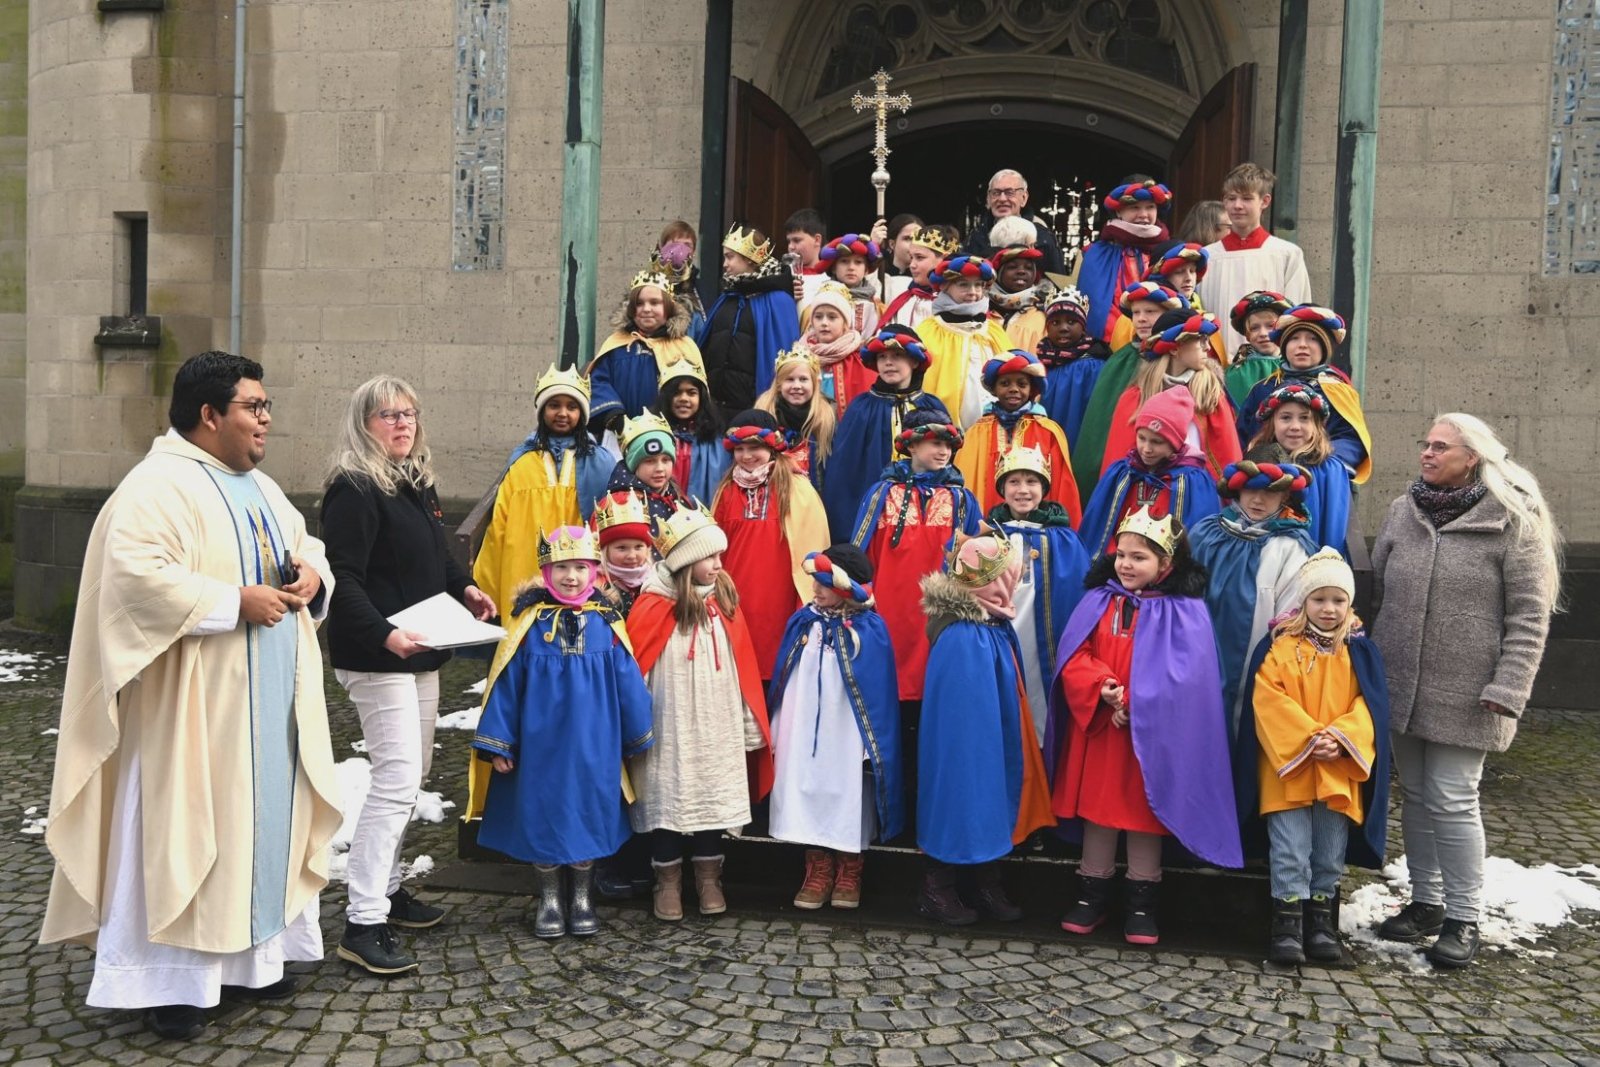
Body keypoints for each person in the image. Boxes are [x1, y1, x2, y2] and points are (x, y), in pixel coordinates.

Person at [40, 352, 339, 1041]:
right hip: (190, 711)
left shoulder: (260, 487)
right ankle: (171, 984)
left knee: (258, 828)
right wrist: (231, 601)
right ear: (210, 415)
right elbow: (133, 580)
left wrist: (308, 580)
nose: (266, 421)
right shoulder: (155, 487)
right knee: (186, 830)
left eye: (266, 407)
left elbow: (307, 545)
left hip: (267, 709)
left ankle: (253, 963)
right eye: (253, 408)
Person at [1370, 414, 1561, 969]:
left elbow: (1529, 617)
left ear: (1471, 457)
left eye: (1440, 446)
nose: (1427, 453)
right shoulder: (1402, 511)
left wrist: (1509, 687)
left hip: (1472, 690)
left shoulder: (1514, 521)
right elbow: (1380, 592)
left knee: (1454, 798)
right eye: (1425, 444)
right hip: (1402, 683)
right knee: (1420, 796)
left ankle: (1464, 915)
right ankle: (1425, 903)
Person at [322, 375, 496, 975]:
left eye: (409, 414)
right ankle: (362, 920)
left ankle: (389, 890)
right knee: (396, 780)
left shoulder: (414, 480)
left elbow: (437, 555)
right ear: (362, 424)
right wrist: (384, 634)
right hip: (377, 655)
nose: (402, 424)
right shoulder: (354, 487)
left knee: (412, 772)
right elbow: (340, 577)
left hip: (421, 648)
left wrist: (466, 587)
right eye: (387, 415)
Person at [1046, 508, 1243, 945]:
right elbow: (1075, 653)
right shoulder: (1100, 601)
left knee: (1143, 816)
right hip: (1101, 733)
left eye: (1140, 558)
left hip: (1150, 741)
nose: (1127, 565)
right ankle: (1090, 895)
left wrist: (1137, 705)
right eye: (1122, 555)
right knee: (1099, 813)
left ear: (1165, 565)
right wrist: (1104, 688)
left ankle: (1141, 903)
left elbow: (1188, 676)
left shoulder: (1185, 611)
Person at [471, 526, 655, 938]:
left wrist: (636, 732)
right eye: (561, 568)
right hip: (540, 747)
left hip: (594, 744)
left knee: (588, 814)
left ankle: (584, 898)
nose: (570, 577)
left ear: (593, 572)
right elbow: (507, 684)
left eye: (579, 567)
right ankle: (551, 899)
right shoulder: (528, 624)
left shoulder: (606, 623)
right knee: (543, 816)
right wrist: (500, 741)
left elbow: (628, 679)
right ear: (546, 571)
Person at [1236, 549, 1391, 966]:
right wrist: (1308, 739)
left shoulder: (1359, 652)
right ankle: (1286, 926)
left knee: (1328, 848)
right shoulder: (1281, 649)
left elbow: (1368, 706)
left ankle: (1320, 925)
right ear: (1303, 602)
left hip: (1339, 766)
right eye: (1319, 599)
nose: (1328, 608)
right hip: (1289, 769)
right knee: (1289, 846)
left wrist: (1339, 738)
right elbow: (1268, 699)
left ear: (1350, 604)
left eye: (1338, 600)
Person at [625, 504, 774, 921]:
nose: (719, 564)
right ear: (687, 563)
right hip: (667, 723)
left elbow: (743, 665)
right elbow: (637, 668)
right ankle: (667, 880)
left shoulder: (723, 601)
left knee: (710, 794)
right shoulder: (652, 606)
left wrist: (748, 722)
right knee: (667, 795)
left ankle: (709, 878)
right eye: (710, 557)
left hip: (715, 721)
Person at [916, 535, 1057, 925]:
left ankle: (984, 880)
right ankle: (938, 886)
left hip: (995, 729)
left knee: (994, 788)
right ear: (993, 582)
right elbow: (963, 710)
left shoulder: (989, 621)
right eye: (1013, 573)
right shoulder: (964, 634)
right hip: (970, 741)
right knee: (964, 789)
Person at [768, 546, 904, 910]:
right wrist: (778, 725)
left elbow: (878, 691)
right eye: (815, 581)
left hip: (846, 732)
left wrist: (867, 744)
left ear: (845, 588)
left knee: (849, 793)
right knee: (806, 787)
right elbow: (785, 677)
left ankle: (850, 869)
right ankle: (817, 868)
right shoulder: (803, 622)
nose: (815, 589)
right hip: (804, 730)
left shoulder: (869, 629)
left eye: (824, 583)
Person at [850, 410, 983, 703]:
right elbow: (859, 554)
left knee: (936, 689)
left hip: (939, 615)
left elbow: (977, 562)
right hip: (888, 610)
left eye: (949, 445)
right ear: (911, 446)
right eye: (935, 443)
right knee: (887, 690)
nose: (944, 451)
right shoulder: (881, 494)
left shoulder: (962, 499)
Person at [1188, 447, 1317, 743]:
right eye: (1250, 490)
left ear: (1285, 496)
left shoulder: (1292, 548)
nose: (1258, 500)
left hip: (1257, 667)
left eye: (1269, 493)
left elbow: (1291, 615)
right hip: (1200, 656)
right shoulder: (1206, 534)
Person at [476, 366, 617, 620]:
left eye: (572, 407)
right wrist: (484, 587)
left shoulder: (602, 464)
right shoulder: (521, 463)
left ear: (582, 414)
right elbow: (498, 529)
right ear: (542, 412)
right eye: (554, 405)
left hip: (577, 573)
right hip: (523, 567)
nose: (563, 413)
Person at [710, 409, 830, 678]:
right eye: (739, 449)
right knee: (740, 665)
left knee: (777, 663)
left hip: (781, 594)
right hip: (736, 592)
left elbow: (813, 543)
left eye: (755, 447)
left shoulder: (796, 488)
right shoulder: (727, 490)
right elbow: (716, 542)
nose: (746, 455)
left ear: (771, 447)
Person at [985, 446, 1091, 744]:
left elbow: (1078, 597)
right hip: (1001, 639)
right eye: (1014, 482)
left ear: (1043, 488)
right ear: (1002, 488)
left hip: (1046, 642)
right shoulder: (985, 536)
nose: (1023, 490)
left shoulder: (1064, 539)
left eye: (1031, 482)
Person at [820, 326, 951, 542]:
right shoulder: (861, 408)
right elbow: (844, 471)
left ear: (915, 362)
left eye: (897, 356)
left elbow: (946, 458)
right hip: (873, 505)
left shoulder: (931, 406)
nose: (889, 362)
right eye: (882, 357)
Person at [1070, 280, 1187, 504]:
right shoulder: (1121, 359)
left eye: (1150, 311)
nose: (1141, 319)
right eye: (1136, 313)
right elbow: (1100, 422)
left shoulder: (1178, 359)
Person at [1235, 305, 1373, 489]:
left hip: (1320, 482)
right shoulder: (1263, 389)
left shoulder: (1338, 390)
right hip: (1266, 482)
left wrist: (1317, 460)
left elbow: (1350, 439)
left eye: (1313, 339)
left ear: (1324, 347)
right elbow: (1242, 436)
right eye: (1294, 338)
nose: (1302, 345)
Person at [1079, 387, 1222, 559]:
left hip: (1164, 575)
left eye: (1157, 442)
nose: (1146, 449)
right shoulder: (1122, 473)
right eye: (1142, 438)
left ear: (1175, 443)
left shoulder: (1195, 482)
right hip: (1117, 566)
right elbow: (1096, 528)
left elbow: (1199, 541)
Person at [1099, 309, 1240, 481]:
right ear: (1175, 348)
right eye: (1201, 340)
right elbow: (1117, 463)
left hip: (1197, 496)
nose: (1208, 347)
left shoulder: (1210, 397)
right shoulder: (1135, 398)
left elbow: (1228, 458)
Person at [1197, 163, 1312, 355]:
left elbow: (1297, 316)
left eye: (1247, 198)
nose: (1237, 206)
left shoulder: (1286, 254)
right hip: (1217, 365)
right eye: (1231, 198)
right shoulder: (1207, 257)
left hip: (1273, 366)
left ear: (1265, 201)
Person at [953, 348, 1081, 520]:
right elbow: (966, 480)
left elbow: (1061, 484)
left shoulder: (1048, 430)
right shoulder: (978, 431)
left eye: (1021, 384)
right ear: (994, 389)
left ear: (1032, 389)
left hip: (1036, 522)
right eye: (1005, 383)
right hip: (986, 521)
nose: (1013, 389)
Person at [699, 223, 803, 420]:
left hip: (752, 407)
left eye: (730, 257)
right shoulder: (728, 296)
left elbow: (781, 358)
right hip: (716, 408)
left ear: (750, 259)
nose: (724, 264)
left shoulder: (778, 301)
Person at [589, 268, 705, 433]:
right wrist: (614, 417)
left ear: (668, 307)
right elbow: (598, 382)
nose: (646, 309)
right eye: (639, 303)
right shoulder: (616, 345)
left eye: (655, 302)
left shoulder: (685, 346)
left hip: (672, 435)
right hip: (620, 433)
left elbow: (697, 392)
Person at [1245, 383, 1355, 555]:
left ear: (1316, 426)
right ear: (1272, 423)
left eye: (1304, 418)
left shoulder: (1329, 469)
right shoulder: (1258, 462)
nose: (1295, 426)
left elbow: (1333, 526)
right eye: (1286, 417)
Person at [918, 253, 1014, 428]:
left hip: (994, 427)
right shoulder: (930, 330)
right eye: (963, 285)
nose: (973, 292)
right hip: (945, 430)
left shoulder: (993, 330)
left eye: (978, 285)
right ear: (945, 287)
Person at [1075, 176, 1173, 342]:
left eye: (1150, 207)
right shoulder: (1097, 253)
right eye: (1135, 207)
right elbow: (1096, 309)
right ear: (1119, 211)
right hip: (1111, 346)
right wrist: (1124, 338)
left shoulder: (1169, 251)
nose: (1143, 215)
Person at [1036, 287, 1111, 449]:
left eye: (1071, 322)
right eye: (1055, 322)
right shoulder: (1042, 361)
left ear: (1083, 326)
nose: (1063, 328)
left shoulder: (1093, 365)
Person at [757, 345, 837, 484]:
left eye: (803, 379)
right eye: (790, 379)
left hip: (813, 496)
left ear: (814, 384)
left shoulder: (828, 419)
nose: (797, 386)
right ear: (778, 384)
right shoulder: (764, 416)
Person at [961, 168, 1067, 273]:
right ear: (988, 199)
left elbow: (1056, 281)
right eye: (996, 193)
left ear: (1024, 198)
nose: (1002, 199)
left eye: (1009, 192)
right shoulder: (976, 237)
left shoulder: (1043, 236)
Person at [601, 411, 689, 534]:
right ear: (633, 464)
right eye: (650, 461)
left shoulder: (679, 500)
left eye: (666, 460)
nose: (659, 468)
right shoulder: (618, 505)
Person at [795, 281, 871, 421]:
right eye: (818, 317)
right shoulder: (799, 355)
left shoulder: (860, 360)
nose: (824, 323)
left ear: (844, 323)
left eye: (832, 317)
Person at [656, 357, 728, 501]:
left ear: (702, 398)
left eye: (691, 392)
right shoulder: (655, 436)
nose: (683, 398)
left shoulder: (716, 443)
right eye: (676, 393)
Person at [988, 219, 1055, 352]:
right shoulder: (981, 308)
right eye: (1012, 267)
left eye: (1029, 268)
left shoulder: (1044, 312)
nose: (1021, 271)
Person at [1224, 290, 1293, 405]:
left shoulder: (1296, 367)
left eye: (1270, 326)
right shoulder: (1235, 374)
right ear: (1247, 334)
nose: (1263, 333)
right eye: (1254, 328)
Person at [593, 489, 655, 614]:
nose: (632, 556)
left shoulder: (657, 580)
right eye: (621, 548)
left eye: (638, 547)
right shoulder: (596, 586)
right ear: (605, 550)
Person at [881, 224, 955, 329]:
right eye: (911, 258)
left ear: (945, 260)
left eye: (919, 257)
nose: (912, 265)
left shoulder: (960, 304)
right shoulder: (903, 300)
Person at [815, 233, 883, 335]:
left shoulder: (879, 308)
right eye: (844, 261)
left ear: (866, 270)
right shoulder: (819, 300)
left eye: (858, 262)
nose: (851, 267)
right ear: (833, 268)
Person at [652, 220, 706, 338]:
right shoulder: (647, 286)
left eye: (687, 245)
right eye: (674, 244)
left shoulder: (702, 290)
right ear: (662, 247)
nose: (680, 250)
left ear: (693, 251)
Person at [885, 212, 924, 276]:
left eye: (918, 239)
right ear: (892, 244)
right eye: (907, 239)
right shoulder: (879, 275)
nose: (914, 244)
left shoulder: (927, 279)